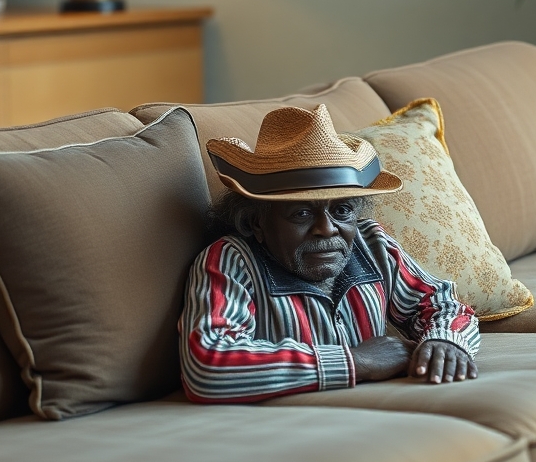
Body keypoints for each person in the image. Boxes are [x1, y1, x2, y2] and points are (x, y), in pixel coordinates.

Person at [180, 104, 480, 403]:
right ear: (256, 222)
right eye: (301, 213)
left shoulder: (371, 242)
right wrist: (357, 361)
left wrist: (445, 340)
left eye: (342, 210)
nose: (327, 229)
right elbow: (207, 364)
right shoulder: (230, 261)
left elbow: (440, 302)